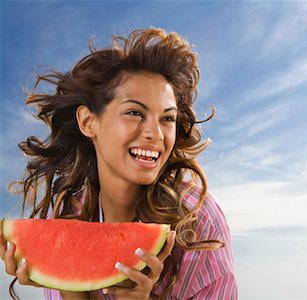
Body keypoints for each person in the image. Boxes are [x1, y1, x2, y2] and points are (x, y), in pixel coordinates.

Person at [0, 28, 237, 299]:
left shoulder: (198, 217)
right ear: (89, 122)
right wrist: (72, 289)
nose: (156, 134)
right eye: (135, 112)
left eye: (167, 118)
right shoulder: (68, 213)